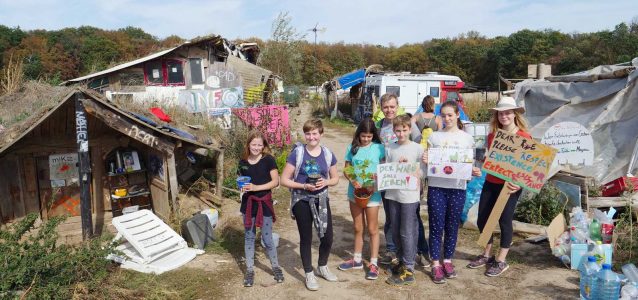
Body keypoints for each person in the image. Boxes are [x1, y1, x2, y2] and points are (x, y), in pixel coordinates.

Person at [466, 96, 530, 277]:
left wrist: (519, 183)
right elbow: (492, 159)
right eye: (500, 113)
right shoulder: (492, 135)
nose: (504, 116)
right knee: (482, 219)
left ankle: (501, 260)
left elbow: (531, 166)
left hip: (510, 186)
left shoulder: (524, 137)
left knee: (504, 221)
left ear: (515, 114)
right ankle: (486, 255)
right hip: (491, 182)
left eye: (508, 112)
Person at [424, 100, 481, 284]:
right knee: (436, 226)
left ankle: (447, 260)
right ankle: (435, 263)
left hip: (457, 188)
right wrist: (425, 159)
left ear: (458, 115)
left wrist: (473, 170)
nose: (447, 118)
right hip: (437, 187)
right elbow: (427, 164)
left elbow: (469, 164)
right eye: (444, 115)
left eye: (450, 115)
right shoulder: (434, 137)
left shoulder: (467, 139)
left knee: (452, 226)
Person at [280, 119, 340, 291]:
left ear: (321, 134)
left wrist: (326, 182)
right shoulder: (297, 153)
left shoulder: (328, 154)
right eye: (308, 133)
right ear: (305, 135)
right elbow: (284, 180)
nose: (311, 137)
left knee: (327, 237)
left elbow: (335, 178)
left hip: (321, 199)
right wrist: (303, 186)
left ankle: (322, 266)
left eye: (315, 133)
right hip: (301, 200)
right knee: (306, 238)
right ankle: (308, 273)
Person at [374, 93, 424, 266]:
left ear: (397, 106)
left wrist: (414, 170)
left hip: (409, 183)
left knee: (411, 218)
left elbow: (417, 151)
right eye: (386, 107)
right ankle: (392, 249)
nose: (389, 110)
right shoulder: (378, 126)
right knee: (391, 217)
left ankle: (416, 250)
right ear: (381, 108)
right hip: (389, 179)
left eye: (392, 106)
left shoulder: (408, 124)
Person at [338, 118, 385, 280]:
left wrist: (375, 183)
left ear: (374, 136)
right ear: (358, 134)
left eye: (369, 136)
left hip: (373, 194)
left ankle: (373, 263)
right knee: (358, 228)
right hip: (355, 194)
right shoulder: (353, 148)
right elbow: (347, 168)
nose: (366, 139)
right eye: (363, 136)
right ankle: (357, 259)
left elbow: (385, 170)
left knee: (372, 229)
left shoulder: (379, 148)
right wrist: (352, 180)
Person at [383, 114, 426, 285]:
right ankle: (401, 260)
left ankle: (409, 267)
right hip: (392, 194)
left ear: (410, 129)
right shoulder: (390, 148)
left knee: (407, 231)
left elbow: (424, 171)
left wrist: (413, 169)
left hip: (409, 196)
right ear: (393, 131)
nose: (401, 134)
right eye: (398, 130)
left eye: (404, 130)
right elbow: (386, 168)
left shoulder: (417, 149)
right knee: (395, 229)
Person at [238, 130, 283, 287]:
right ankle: (250, 270)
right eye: (253, 144)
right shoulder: (242, 162)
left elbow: (275, 182)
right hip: (248, 205)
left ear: (263, 145)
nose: (256, 147)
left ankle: (275, 267)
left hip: (264, 204)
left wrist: (256, 187)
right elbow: (241, 180)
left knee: (267, 238)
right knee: (249, 237)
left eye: (259, 144)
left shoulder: (268, 160)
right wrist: (242, 188)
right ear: (248, 144)